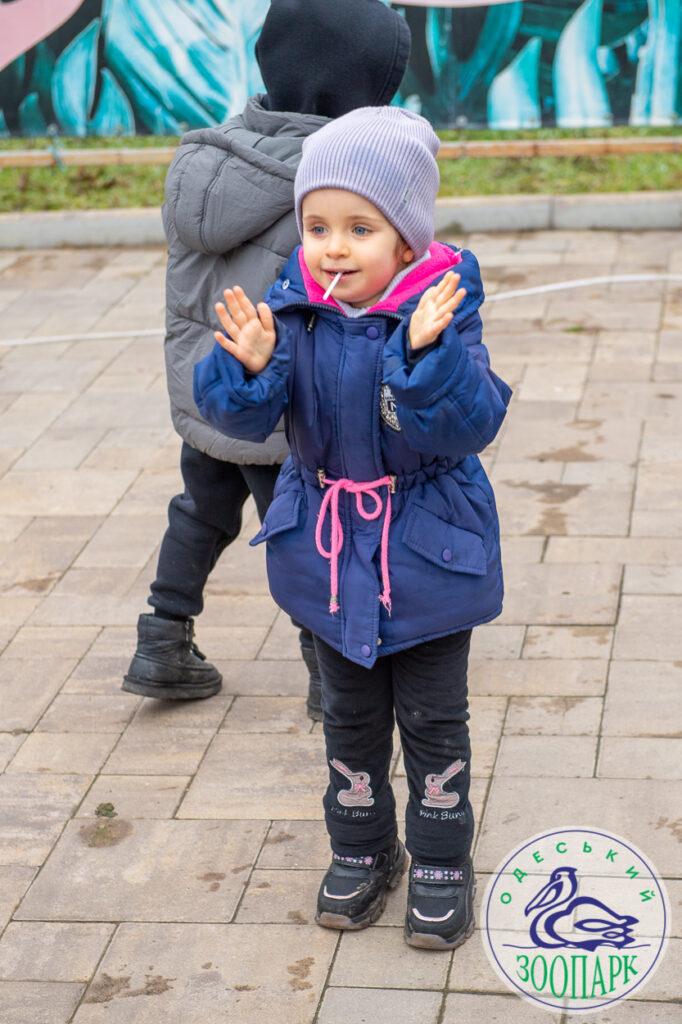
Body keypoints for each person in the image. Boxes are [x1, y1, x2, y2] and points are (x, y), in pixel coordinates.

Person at [193, 107, 512, 949]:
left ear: (406, 240)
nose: (334, 246)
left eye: (360, 228)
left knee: (435, 722)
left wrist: (425, 359)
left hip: (428, 556)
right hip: (330, 561)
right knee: (350, 718)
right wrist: (248, 368)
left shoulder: (443, 314)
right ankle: (361, 847)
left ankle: (441, 856)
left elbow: (468, 425)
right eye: (318, 225)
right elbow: (241, 419)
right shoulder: (290, 313)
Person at [121, 0, 412, 720]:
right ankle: (326, 669)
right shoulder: (333, 180)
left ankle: (163, 633)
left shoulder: (209, 157)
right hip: (283, 408)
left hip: (207, 389)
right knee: (307, 530)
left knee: (200, 510)